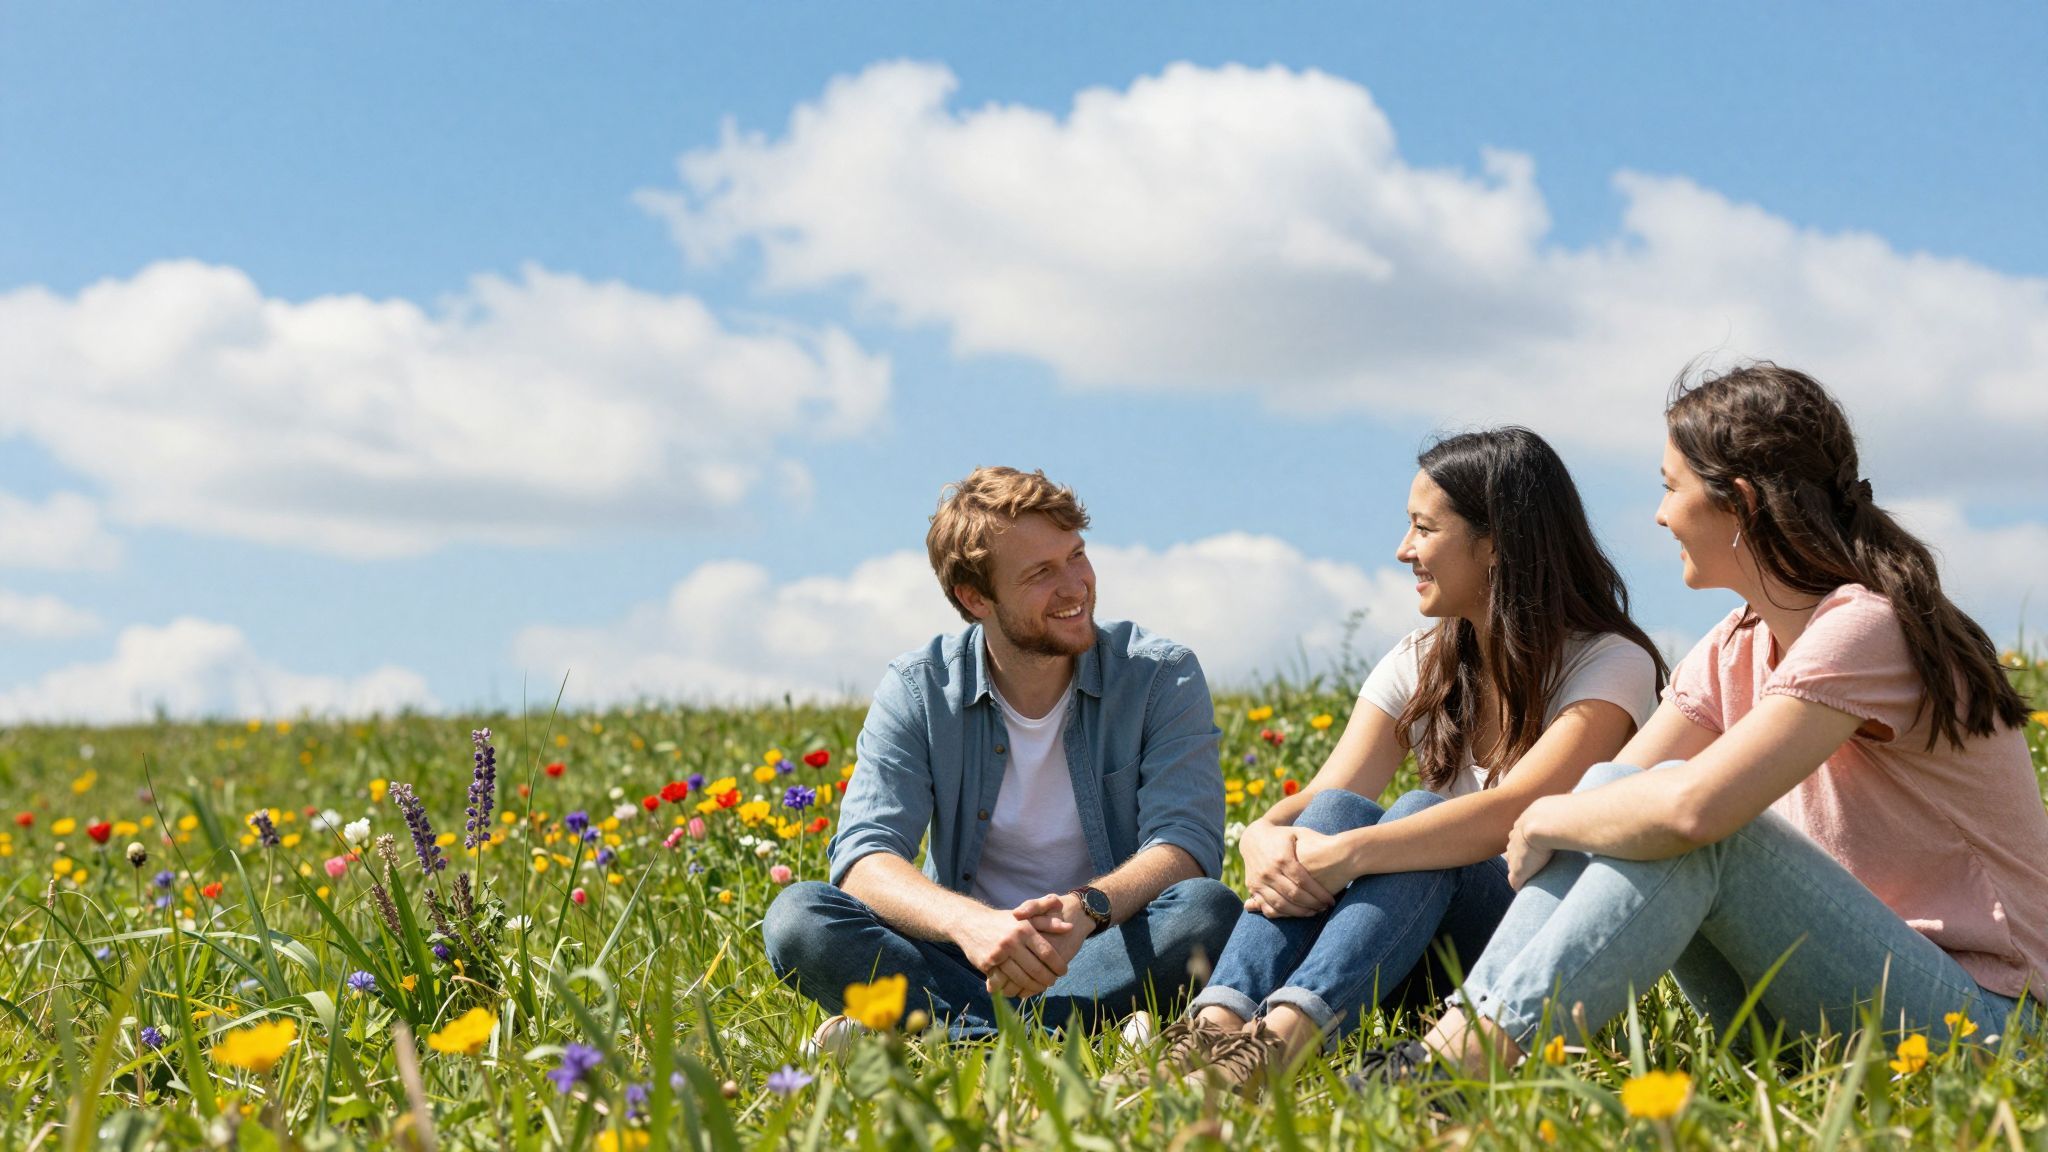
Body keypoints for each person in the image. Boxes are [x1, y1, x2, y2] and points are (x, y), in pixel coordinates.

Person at [1375, 363, 2047, 1085]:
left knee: (1691, 822)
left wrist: (1545, 818)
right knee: (1616, 792)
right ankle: (1456, 1042)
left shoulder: (1866, 627)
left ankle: (1466, 1061)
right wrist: (1563, 814)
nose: (1660, 516)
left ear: (1741, 503)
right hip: (1816, 1014)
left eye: (1670, 487)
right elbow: (1612, 786)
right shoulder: (1736, 644)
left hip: (1977, 1024)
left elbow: (1693, 810)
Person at [1163, 427, 1666, 1092]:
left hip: (1522, 955)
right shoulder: (1423, 660)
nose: (1404, 551)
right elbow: (1326, 797)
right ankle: (1219, 1026)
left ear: (1495, 545)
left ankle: (1279, 1044)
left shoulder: (1611, 664)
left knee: (1423, 819)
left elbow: (1517, 813)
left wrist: (1351, 854)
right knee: (1337, 811)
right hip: (1396, 952)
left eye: (1424, 529)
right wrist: (1263, 834)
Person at [763, 466, 1240, 1046]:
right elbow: (865, 858)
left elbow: (1187, 846)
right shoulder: (918, 689)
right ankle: (1081, 1030)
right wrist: (972, 926)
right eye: (1041, 573)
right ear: (974, 597)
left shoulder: (1160, 675)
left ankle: (944, 1032)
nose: (1075, 587)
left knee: (1206, 913)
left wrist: (1085, 911)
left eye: (1076, 555)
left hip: (1103, 941)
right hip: (962, 956)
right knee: (797, 920)